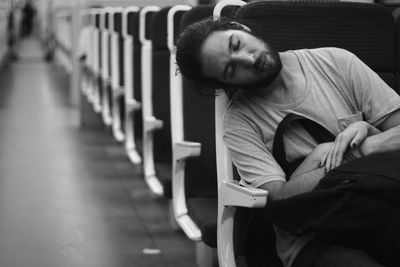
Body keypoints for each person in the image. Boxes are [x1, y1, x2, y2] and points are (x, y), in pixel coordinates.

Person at [175, 17, 400, 267]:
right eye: (231, 70)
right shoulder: (239, 122)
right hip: (313, 239)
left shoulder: (337, 62)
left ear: (242, 29)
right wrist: (361, 150)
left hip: (381, 210)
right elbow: (280, 199)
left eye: (236, 44)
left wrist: (363, 133)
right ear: (226, 85)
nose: (249, 60)